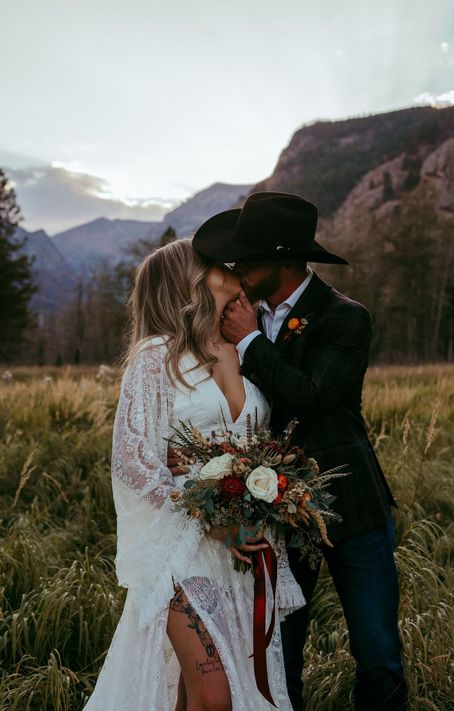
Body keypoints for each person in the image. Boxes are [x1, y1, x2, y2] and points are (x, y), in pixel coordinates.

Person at [190, 191, 409, 711]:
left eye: (249, 259)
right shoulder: (237, 318)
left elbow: (310, 395)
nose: (238, 269)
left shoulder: (344, 318)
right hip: (277, 511)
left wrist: (249, 343)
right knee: (280, 648)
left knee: (377, 649)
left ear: (283, 260)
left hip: (352, 507)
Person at [82, 237, 305, 711]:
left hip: (243, 543)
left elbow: (255, 441)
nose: (225, 266)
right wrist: (206, 515)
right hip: (184, 542)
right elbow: (130, 456)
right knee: (214, 692)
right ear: (188, 282)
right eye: (209, 262)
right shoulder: (156, 357)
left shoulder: (241, 349)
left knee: (209, 688)